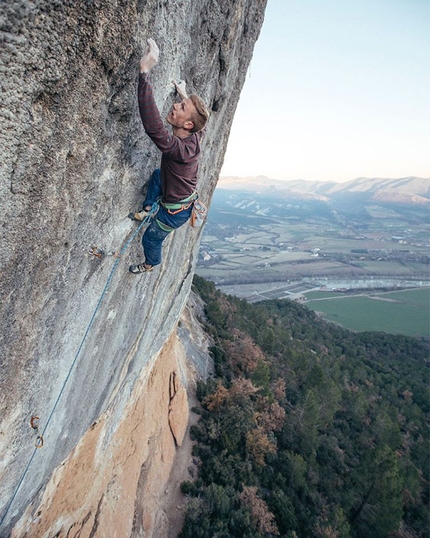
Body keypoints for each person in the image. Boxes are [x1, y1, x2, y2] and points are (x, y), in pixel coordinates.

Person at [129, 38, 209, 275]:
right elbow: (201, 125)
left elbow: (154, 129)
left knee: (151, 239)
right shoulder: (194, 135)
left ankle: (150, 264)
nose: (174, 106)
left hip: (175, 212)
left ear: (187, 123)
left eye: (181, 107)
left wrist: (144, 72)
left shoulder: (180, 149)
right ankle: (146, 207)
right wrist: (184, 93)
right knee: (157, 176)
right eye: (180, 103)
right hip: (178, 193)